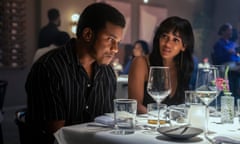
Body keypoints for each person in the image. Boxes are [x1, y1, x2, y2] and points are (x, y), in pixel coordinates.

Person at [25, 3, 125, 144]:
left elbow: (108, 123)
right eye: (110, 39)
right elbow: (57, 136)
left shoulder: (107, 72)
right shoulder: (49, 68)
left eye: (118, 42)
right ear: (88, 34)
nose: (115, 49)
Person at [128, 16, 194, 114]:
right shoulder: (141, 63)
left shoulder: (182, 68)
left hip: (172, 127)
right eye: (164, 36)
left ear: (184, 46)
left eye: (175, 40)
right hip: (146, 126)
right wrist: (160, 119)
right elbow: (135, 106)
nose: (167, 44)